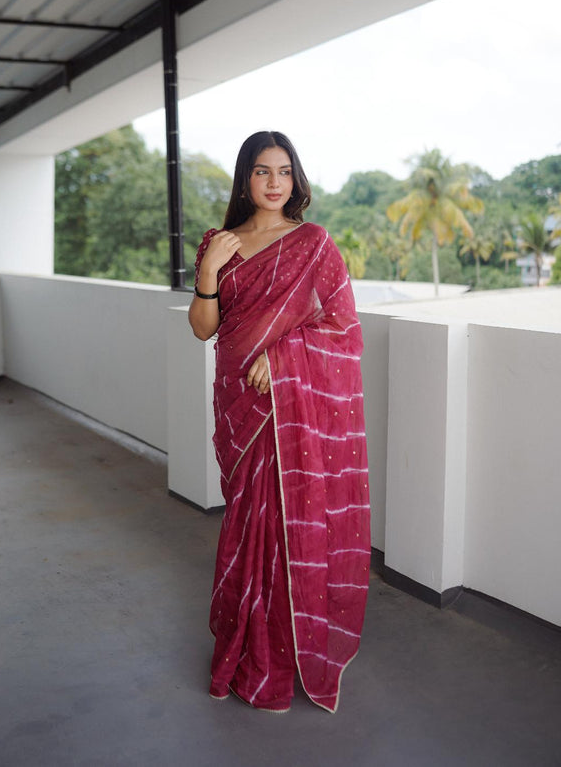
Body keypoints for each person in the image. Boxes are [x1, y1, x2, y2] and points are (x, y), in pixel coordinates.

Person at [189, 131, 370, 714]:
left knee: (283, 527)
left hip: (286, 405)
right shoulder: (219, 243)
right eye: (263, 171)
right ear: (245, 178)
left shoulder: (313, 243)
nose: (274, 183)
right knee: (246, 526)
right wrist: (209, 273)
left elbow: (343, 327)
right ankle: (244, 649)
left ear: (295, 180)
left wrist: (284, 357)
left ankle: (279, 657)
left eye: (284, 172)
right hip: (237, 405)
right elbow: (203, 328)